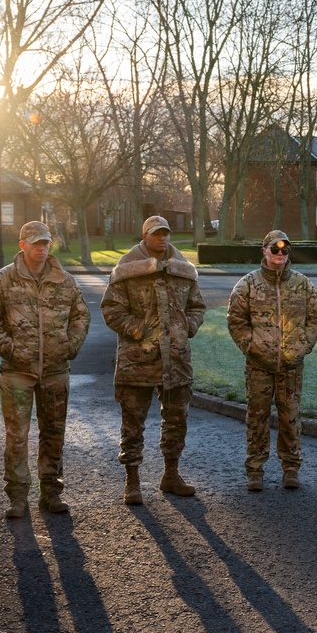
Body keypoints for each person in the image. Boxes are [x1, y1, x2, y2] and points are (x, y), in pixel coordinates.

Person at [0, 221, 91, 518]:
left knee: (54, 433)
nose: (41, 248)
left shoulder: (65, 281)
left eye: (46, 243)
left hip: (56, 370)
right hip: (17, 372)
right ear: (22, 245)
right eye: (36, 243)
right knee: (17, 435)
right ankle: (17, 497)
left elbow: (81, 316)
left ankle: (51, 492)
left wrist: (69, 346)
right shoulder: (1, 281)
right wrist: (10, 348)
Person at [101, 215, 206, 505]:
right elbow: (111, 309)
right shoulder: (127, 270)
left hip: (176, 359)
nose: (163, 239)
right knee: (132, 423)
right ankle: (132, 481)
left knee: (176, 420)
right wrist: (139, 329)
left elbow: (197, 305)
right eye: (157, 234)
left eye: (166, 234)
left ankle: (170, 475)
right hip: (137, 361)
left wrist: (188, 327)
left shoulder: (183, 271)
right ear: (144, 236)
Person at [227, 231, 317, 492]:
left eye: (285, 250)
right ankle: (255, 471)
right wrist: (251, 345)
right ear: (264, 250)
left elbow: (314, 318)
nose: (280, 254)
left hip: (291, 366)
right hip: (259, 365)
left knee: (290, 417)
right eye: (275, 248)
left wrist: (304, 345)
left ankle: (291, 468)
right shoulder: (247, 284)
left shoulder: (302, 284)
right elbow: (236, 321)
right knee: (257, 417)